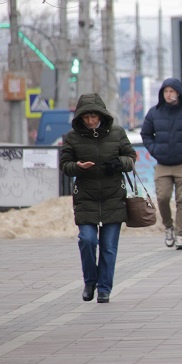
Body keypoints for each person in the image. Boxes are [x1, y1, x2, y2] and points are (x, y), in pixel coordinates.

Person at [59, 93, 137, 303]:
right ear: (80, 118)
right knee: (87, 239)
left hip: (113, 196)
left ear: (101, 115)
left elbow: (131, 157)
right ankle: (90, 281)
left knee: (109, 247)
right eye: (86, 118)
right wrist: (78, 167)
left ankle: (104, 289)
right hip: (86, 196)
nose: (91, 121)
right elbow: (64, 165)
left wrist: (120, 163)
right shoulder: (72, 137)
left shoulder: (117, 133)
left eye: (94, 117)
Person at [140, 78, 182, 250]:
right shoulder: (154, 113)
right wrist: (155, 149)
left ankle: (180, 235)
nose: (168, 95)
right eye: (165, 91)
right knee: (162, 198)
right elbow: (146, 134)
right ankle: (169, 227)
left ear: (178, 93)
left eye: (172, 91)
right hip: (162, 163)